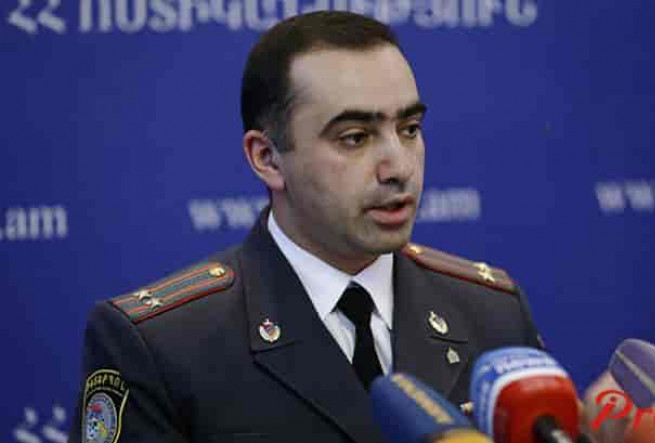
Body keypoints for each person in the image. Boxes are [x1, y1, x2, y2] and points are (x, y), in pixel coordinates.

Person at [69, 11, 543, 443]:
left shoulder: (492, 311)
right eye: (355, 138)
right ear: (267, 158)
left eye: (409, 129)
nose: (399, 167)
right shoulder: (162, 344)